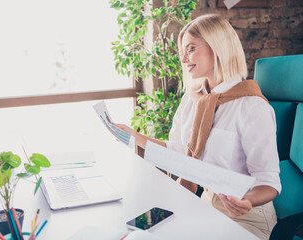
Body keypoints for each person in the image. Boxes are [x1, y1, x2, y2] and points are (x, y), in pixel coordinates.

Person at [115, 14, 281, 240]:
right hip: (204, 204)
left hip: (246, 217)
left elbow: (268, 181)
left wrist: (247, 200)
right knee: (132, 232)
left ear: (217, 47)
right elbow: (178, 152)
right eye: (182, 51)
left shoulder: (251, 106)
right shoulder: (193, 99)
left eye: (191, 49)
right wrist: (134, 137)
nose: (183, 58)